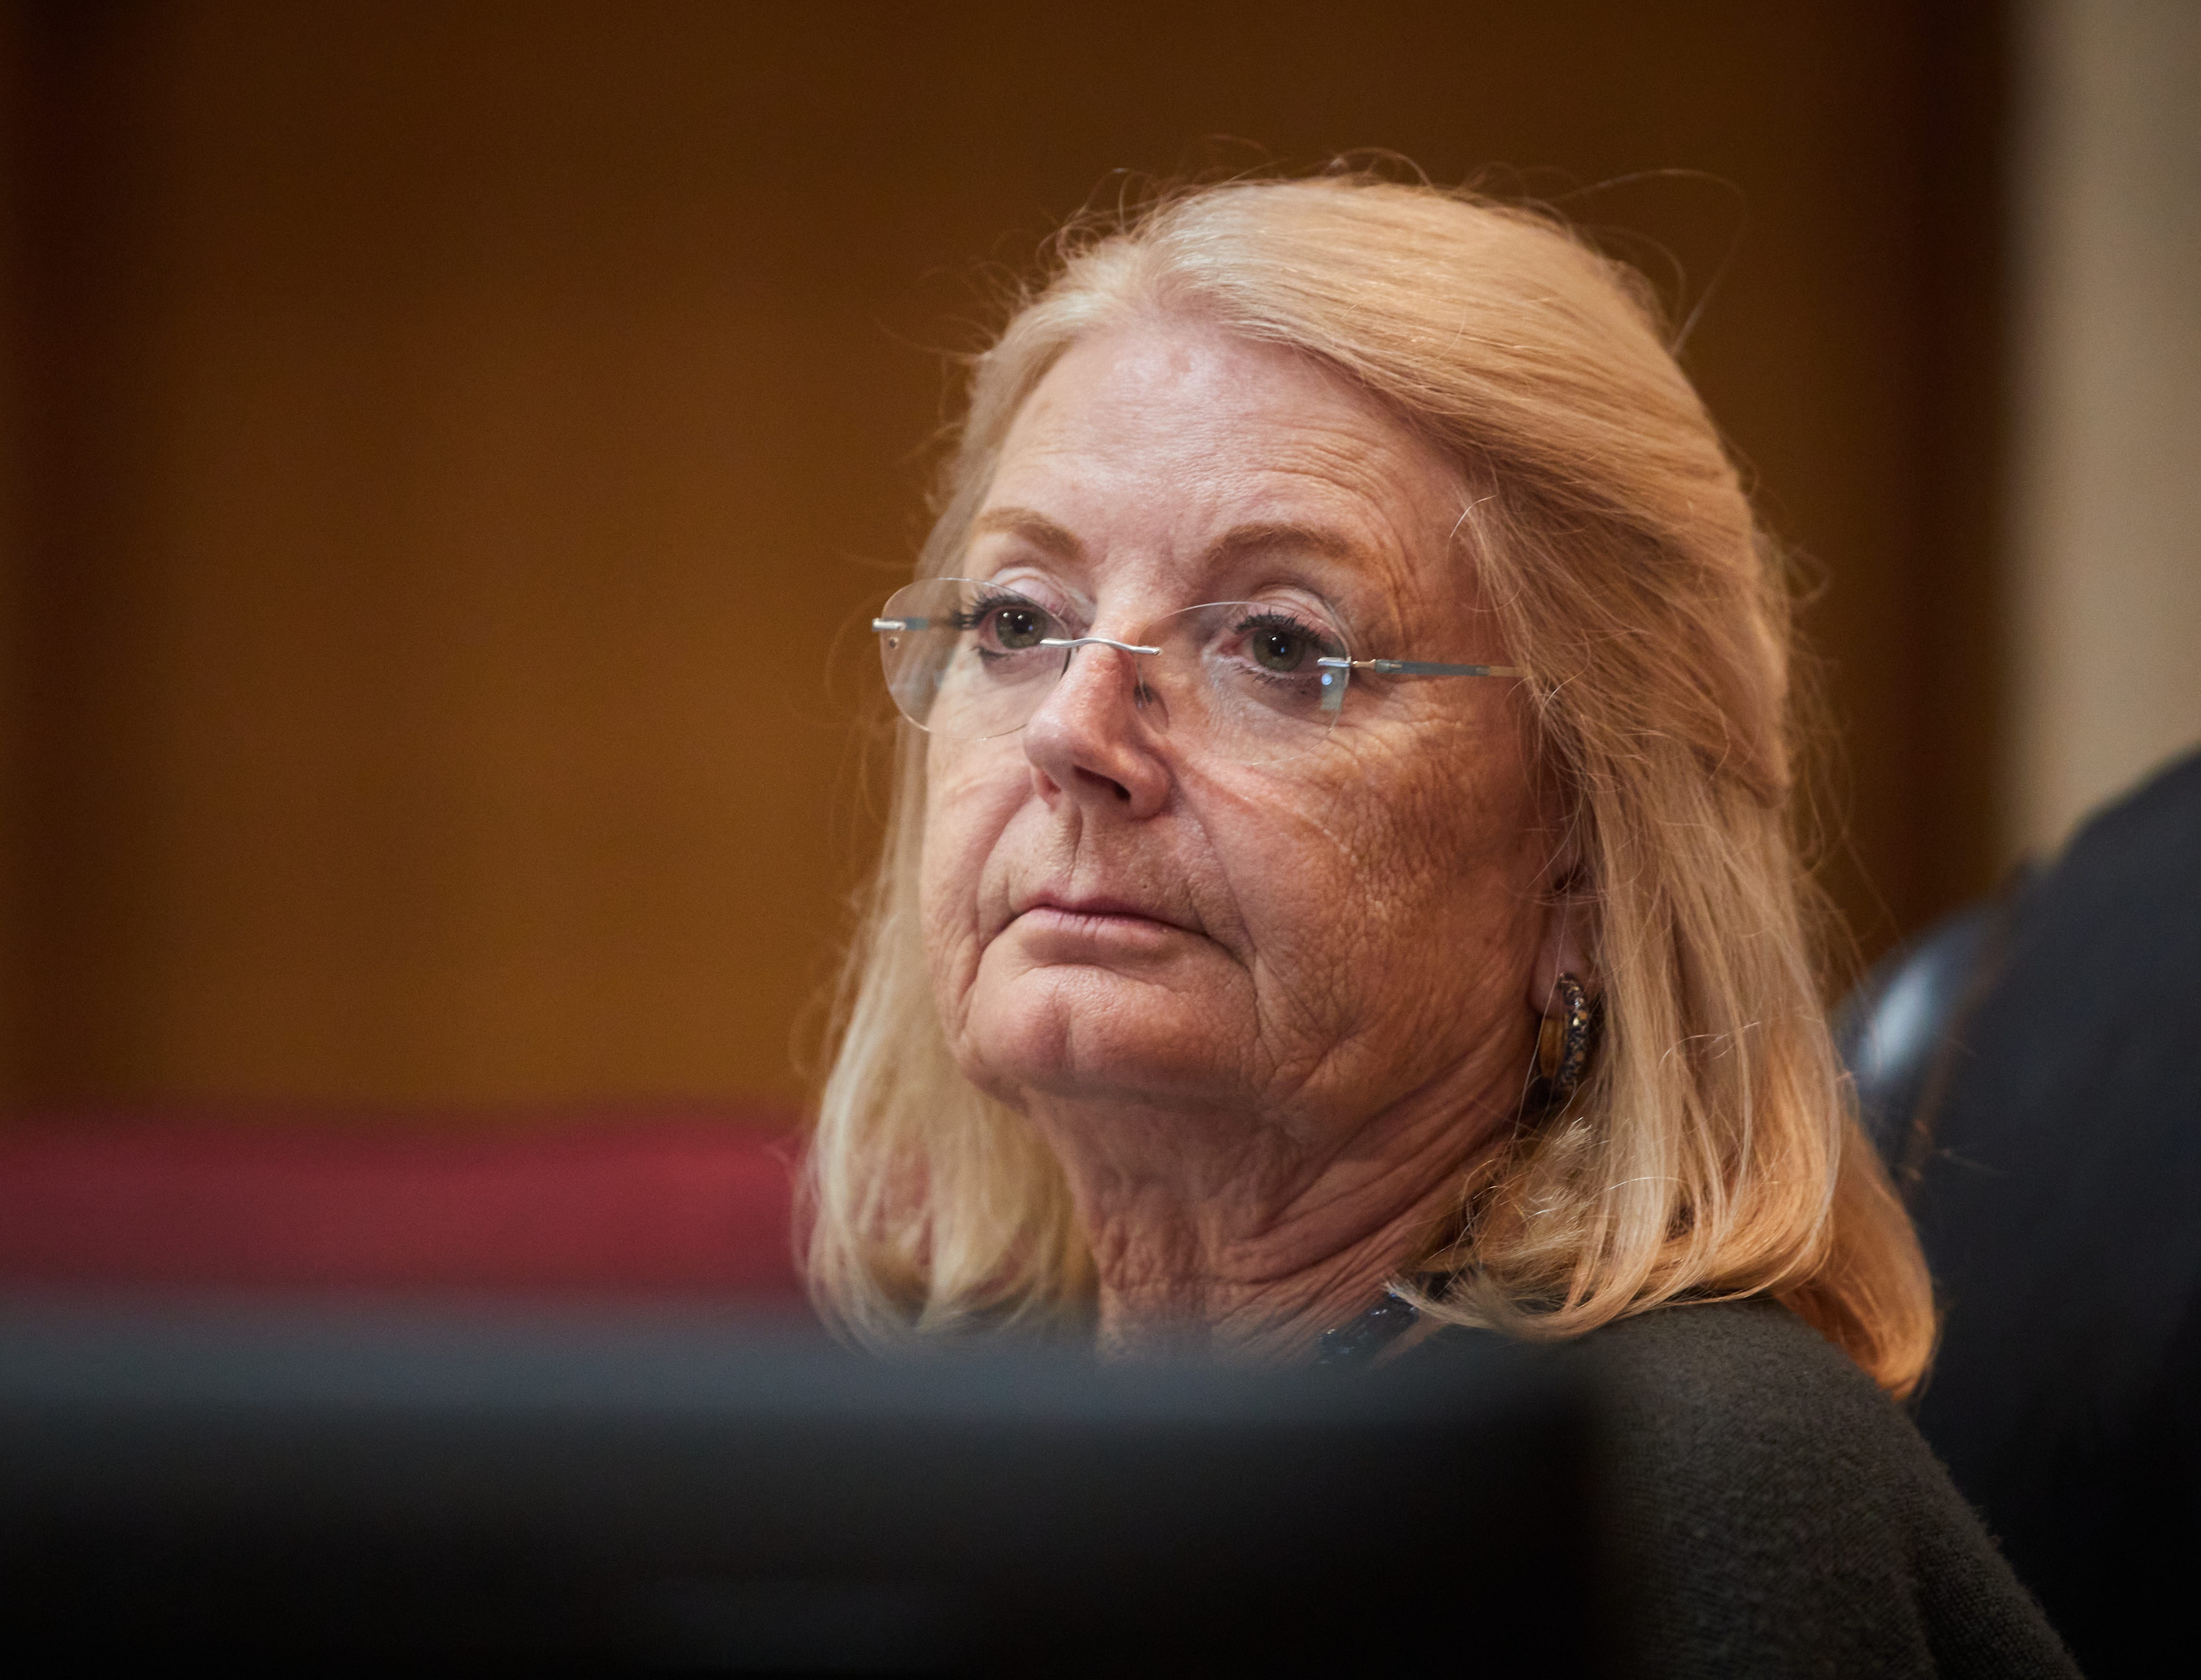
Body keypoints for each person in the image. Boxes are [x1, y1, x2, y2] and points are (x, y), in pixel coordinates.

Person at [802, 172, 2079, 1675]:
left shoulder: (1678, 1490)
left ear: (1588, 867)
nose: (1074, 734)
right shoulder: (952, 1445)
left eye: (1283, 645)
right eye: (1017, 620)